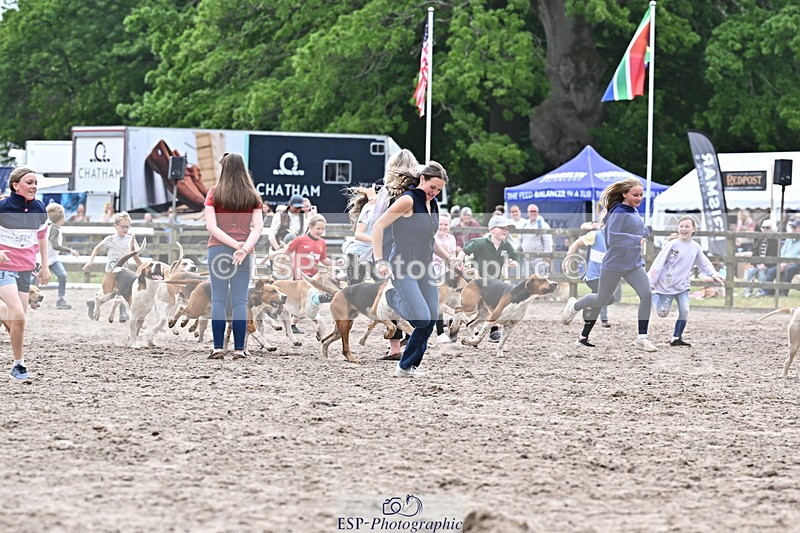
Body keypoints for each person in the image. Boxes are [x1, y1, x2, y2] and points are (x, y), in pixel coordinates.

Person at [372, 161, 455, 378]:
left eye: (439, 190)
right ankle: (393, 298)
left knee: (430, 319)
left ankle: (406, 366)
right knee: (421, 318)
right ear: (422, 180)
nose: (434, 193)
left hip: (425, 267)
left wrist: (448, 257)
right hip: (402, 266)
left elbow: (430, 238)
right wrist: (380, 260)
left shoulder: (433, 204)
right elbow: (378, 226)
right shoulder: (408, 200)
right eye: (432, 187)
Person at [561, 178, 657, 352]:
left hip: (633, 263)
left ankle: (642, 337)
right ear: (624, 194)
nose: (639, 198)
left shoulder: (633, 211)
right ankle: (574, 306)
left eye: (641, 195)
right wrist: (636, 238)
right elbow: (612, 238)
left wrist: (645, 231)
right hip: (614, 264)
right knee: (601, 299)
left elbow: (631, 232)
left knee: (647, 294)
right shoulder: (618, 211)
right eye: (635, 195)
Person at [204, 152, 263, 360]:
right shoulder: (253, 195)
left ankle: (218, 347)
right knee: (240, 301)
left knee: (218, 300)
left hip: (218, 249)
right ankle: (239, 349)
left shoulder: (214, 193)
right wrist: (243, 248)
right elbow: (258, 227)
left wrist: (232, 244)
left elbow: (211, 226)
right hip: (244, 252)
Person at [2, 167, 51, 381]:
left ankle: (16, 364)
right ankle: (20, 365)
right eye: (29, 182)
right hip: (3, 267)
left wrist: (45, 266)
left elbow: (42, 239)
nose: (34, 186)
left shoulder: (40, 209)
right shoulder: (3, 207)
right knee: (18, 315)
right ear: (16, 185)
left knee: (19, 321)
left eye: (35, 183)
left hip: (26, 269)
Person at [648, 216, 725, 347]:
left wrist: (714, 274)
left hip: (683, 286)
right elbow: (658, 262)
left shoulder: (695, 247)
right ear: (678, 229)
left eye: (687, 226)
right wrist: (650, 280)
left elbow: (704, 263)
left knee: (685, 310)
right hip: (666, 286)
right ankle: (653, 296)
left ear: (693, 229)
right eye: (681, 226)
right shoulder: (672, 245)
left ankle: (676, 338)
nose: (684, 229)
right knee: (662, 313)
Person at [457, 214, 520, 342]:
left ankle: (493, 331)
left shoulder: (506, 245)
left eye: (507, 229)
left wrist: (514, 262)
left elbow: (515, 256)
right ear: (491, 230)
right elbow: (464, 251)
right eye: (501, 228)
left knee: (494, 305)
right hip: (477, 281)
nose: (505, 231)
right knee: (473, 307)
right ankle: (458, 319)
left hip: (494, 282)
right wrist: (459, 259)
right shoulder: (480, 242)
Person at [563, 214, 622, 347]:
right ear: (605, 224)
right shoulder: (595, 235)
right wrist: (568, 259)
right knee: (605, 297)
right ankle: (577, 305)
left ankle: (583, 337)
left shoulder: (618, 240)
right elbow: (576, 244)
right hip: (593, 276)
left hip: (607, 277)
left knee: (604, 302)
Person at [83, 211, 139, 322]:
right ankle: (122, 312)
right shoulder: (111, 239)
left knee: (115, 293)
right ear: (116, 226)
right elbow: (97, 248)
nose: (125, 229)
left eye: (127, 227)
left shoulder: (130, 239)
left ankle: (94, 304)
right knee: (117, 291)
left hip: (124, 270)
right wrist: (90, 261)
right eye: (123, 227)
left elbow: (136, 254)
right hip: (112, 270)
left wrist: (140, 266)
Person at [342, 180, 382, 285]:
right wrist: (377, 241)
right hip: (358, 254)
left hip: (373, 254)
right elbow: (358, 234)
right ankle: (321, 298)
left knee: (383, 284)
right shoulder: (369, 208)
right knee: (352, 290)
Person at [45, 203, 80, 310]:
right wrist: (70, 250)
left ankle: (60, 299)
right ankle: (29, 298)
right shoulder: (54, 229)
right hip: (43, 260)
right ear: (61, 217)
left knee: (62, 275)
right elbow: (55, 246)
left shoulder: (55, 228)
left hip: (53, 259)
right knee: (35, 279)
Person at [433, 212, 457, 343]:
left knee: (452, 301)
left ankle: (453, 331)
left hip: (446, 273)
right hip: (432, 272)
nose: (443, 227)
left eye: (446, 224)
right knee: (439, 303)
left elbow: (453, 256)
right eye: (440, 224)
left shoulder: (451, 239)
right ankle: (440, 332)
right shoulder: (431, 237)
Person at [739, 219, 778, 297]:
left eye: (767, 228)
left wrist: (764, 263)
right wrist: (753, 263)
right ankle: (748, 291)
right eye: (763, 227)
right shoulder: (760, 238)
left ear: (772, 228)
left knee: (762, 271)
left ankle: (761, 291)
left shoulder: (775, 240)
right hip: (758, 262)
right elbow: (755, 251)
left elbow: (773, 255)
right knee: (749, 271)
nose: (765, 230)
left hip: (770, 264)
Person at [520, 203, 553, 276]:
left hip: (539, 258)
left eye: (534, 211)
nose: (533, 213)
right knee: (526, 281)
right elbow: (522, 239)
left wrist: (546, 257)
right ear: (528, 213)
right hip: (527, 258)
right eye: (531, 211)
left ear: (538, 212)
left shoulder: (543, 225)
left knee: (540, 281)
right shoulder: (525, 225)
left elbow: (548, 242)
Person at [778, 219, 800, 296]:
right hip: (785, 261)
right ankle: (773, 291)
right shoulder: (789, 238)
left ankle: (784, 292)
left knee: (790, 269)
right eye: (792, 227)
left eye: (795, 227)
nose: (793, 229)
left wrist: (788, 262)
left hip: (797, 262)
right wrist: (783, 261)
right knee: (775, 268)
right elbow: (783, 251)